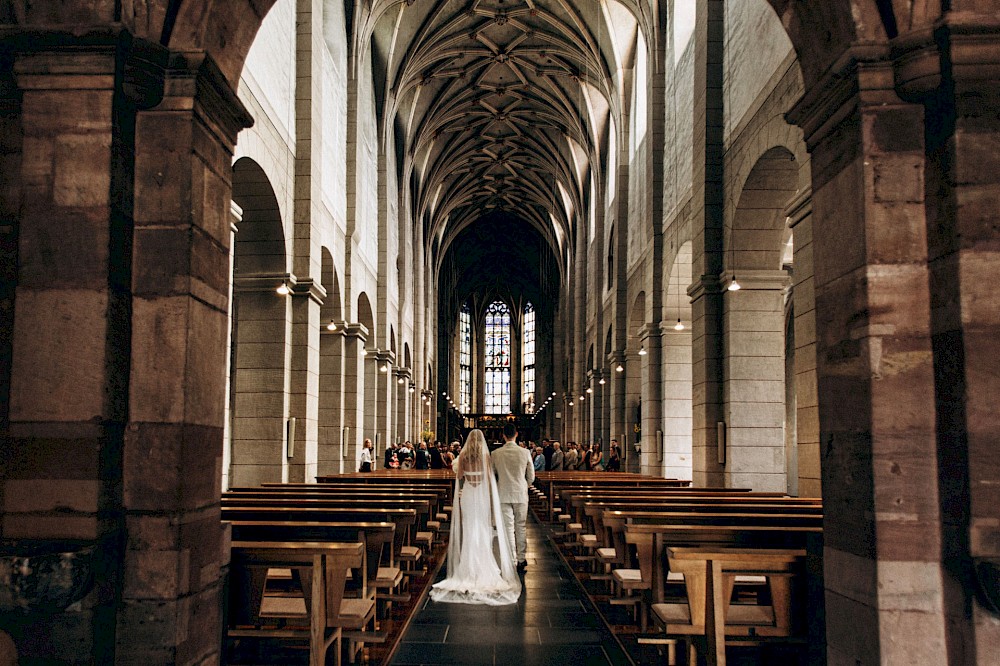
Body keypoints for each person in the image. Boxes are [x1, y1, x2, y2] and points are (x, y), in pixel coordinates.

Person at [429, 429, 521, 605]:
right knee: (483, 527)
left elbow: (460, 475)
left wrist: (460, 466)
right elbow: (488, 477)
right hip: (481, 494)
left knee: (469, 528)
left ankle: (467, 566)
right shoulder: (485, 456)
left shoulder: (463, 455)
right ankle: (483, 563)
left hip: (469, 494)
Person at [491, 422, 534, 572]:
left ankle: (511, 559)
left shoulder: (496, 453)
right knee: (520, 526)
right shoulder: (525, 452)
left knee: (508, 527)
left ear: (503, 436)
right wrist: (524, 486)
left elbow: (492, 474)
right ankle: (521, 559)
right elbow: (531, 477)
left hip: (503, 493)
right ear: (516, 434)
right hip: (520, 493)